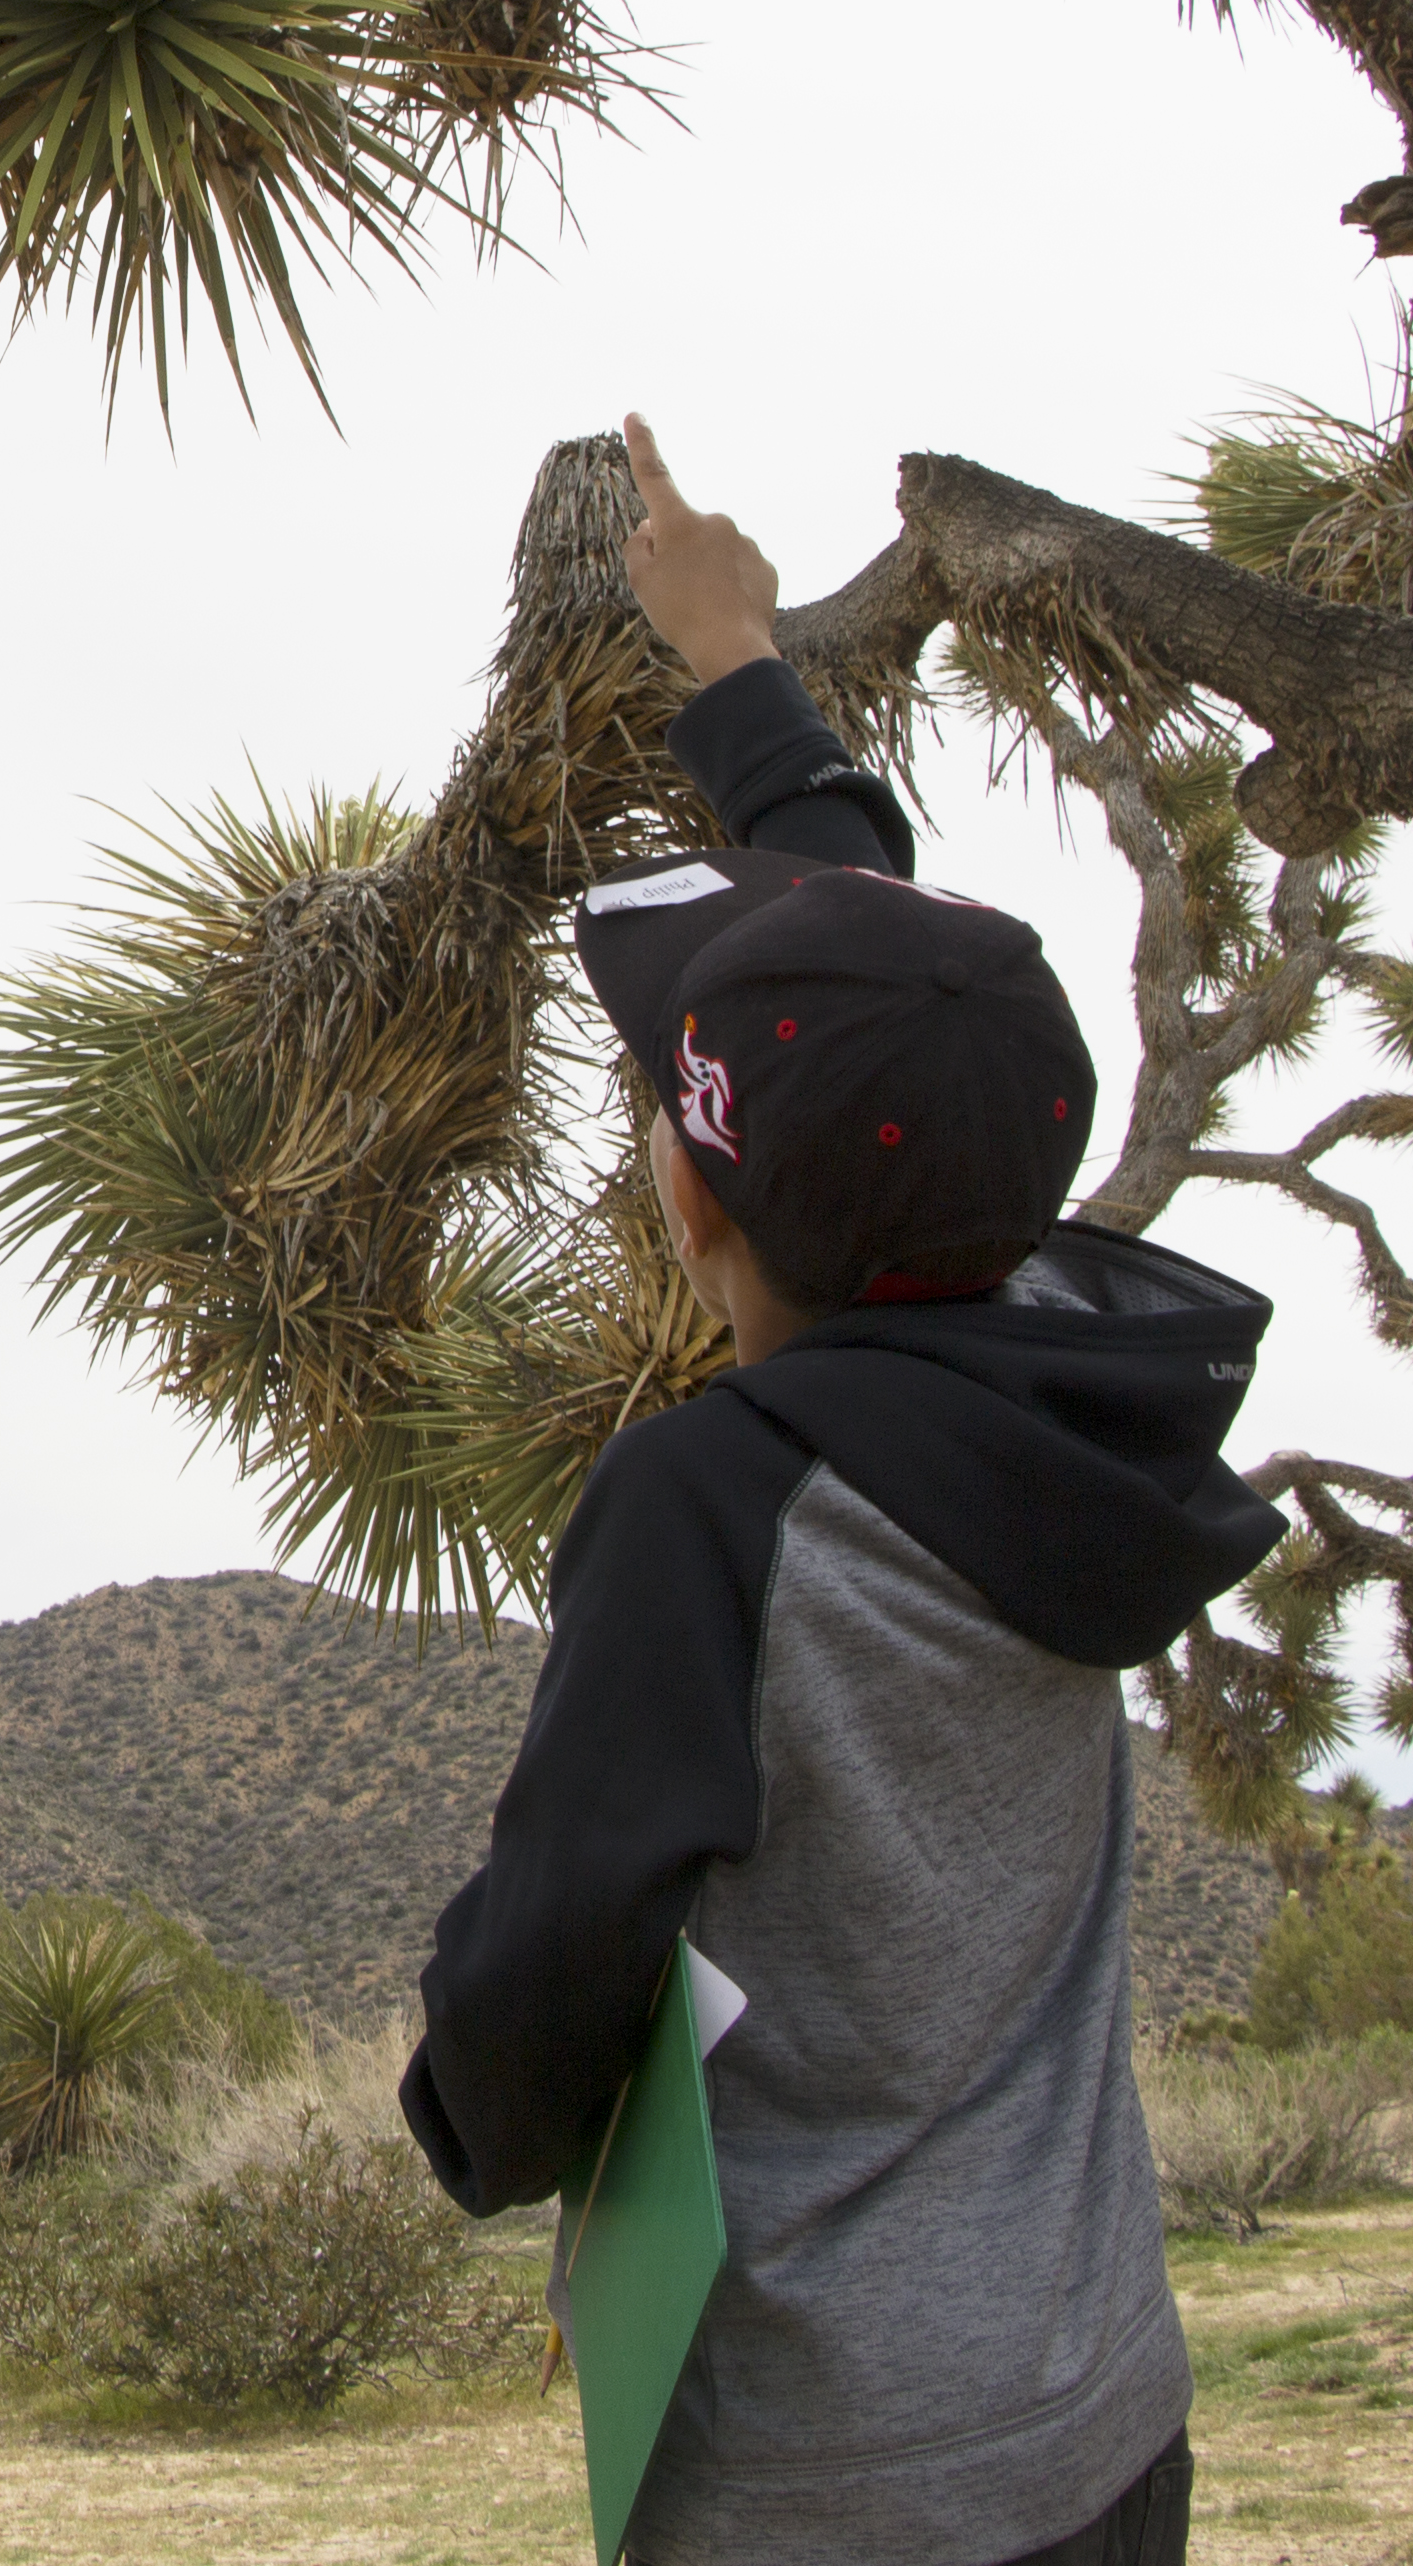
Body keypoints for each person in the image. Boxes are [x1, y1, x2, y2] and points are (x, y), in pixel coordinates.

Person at [401, 418, 1285, 2566]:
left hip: (832, 2477)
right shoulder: (1089, 1369)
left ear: (696, 1206)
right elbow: (896, 985)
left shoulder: (720, 1501)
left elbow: (559, 1956)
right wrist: (738, 663)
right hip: (1094, 2410)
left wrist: (467, 2103)